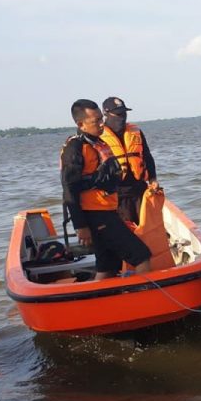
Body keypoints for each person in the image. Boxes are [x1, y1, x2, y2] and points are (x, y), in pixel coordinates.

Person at [60, 99, 151, 280]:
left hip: (107, 211)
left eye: (102, 119)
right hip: (97, 215)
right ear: (81, 124)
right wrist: (81, 226)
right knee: (141, 256)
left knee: (108, 265)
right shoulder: (75, 148)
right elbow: (69, 189)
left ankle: (97, 302)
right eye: (96, 121)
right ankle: (142, 298)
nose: (102, 124)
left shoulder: (97, 142)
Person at [100, 96, 159, 223]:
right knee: (128, 228)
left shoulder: (135, 132)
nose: (122, 117)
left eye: (124, 113)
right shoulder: (99, 137)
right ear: (106, 114)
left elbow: (147, 156)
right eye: (118, 114)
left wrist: (153, 178)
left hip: (139, 189)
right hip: (118, 193)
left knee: (147, 225)